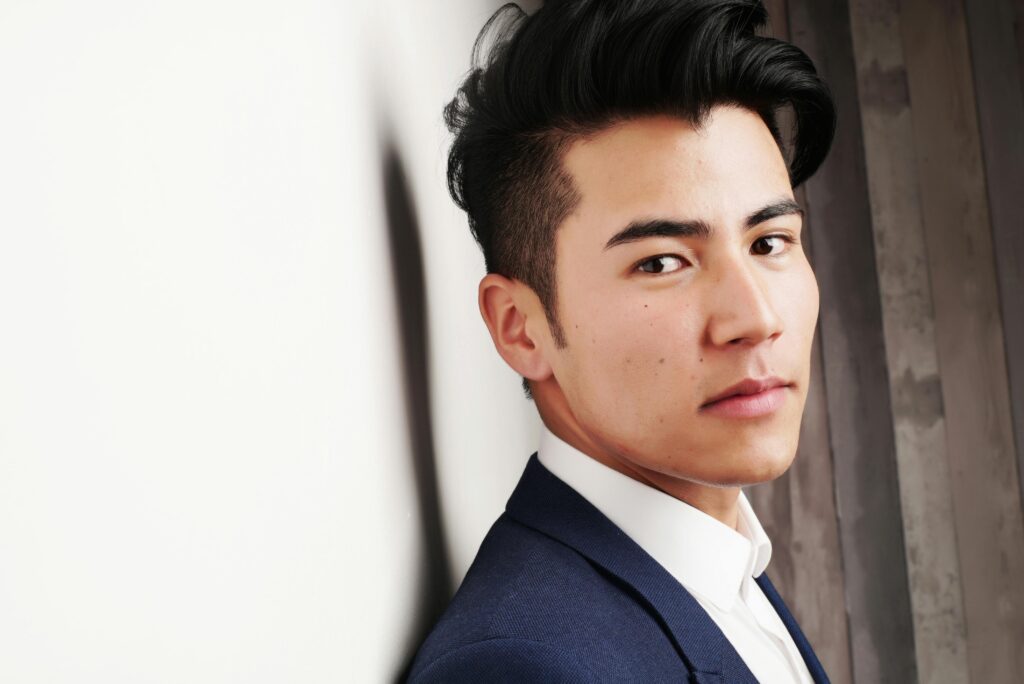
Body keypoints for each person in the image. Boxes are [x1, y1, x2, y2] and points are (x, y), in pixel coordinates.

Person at [408, 0, 836, 681]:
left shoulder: (720, 564)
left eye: (769, 241)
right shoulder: (525, 666)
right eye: (662, 261)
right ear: (521, 328)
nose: (755, 318)